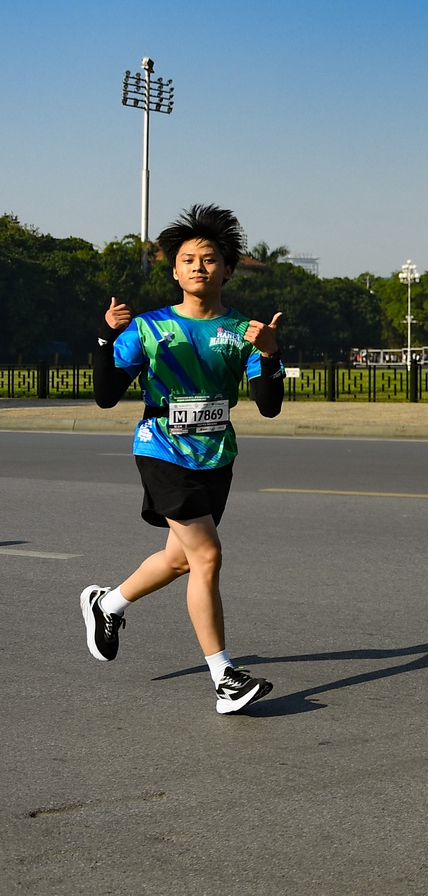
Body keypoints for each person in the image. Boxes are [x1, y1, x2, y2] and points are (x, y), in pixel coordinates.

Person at [79, 204, 285, 715]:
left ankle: (107, 603)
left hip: (216, 455)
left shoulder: (244, 332)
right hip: (161, 448)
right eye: (188, 259)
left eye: (210, 259)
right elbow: (106, 395)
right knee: (208, 556)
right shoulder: (147, 328)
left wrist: (272, 354)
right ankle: (225, 679)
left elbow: (269, 406)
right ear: (174, 270)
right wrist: (105, 338)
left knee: (179, 559)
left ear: (228, 270)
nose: (198, 267)